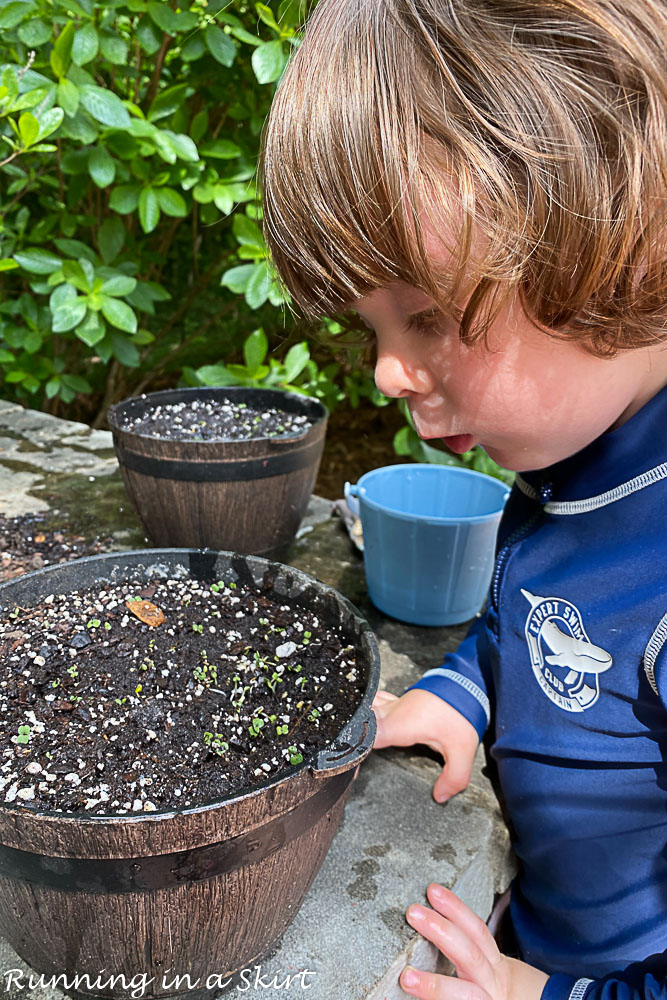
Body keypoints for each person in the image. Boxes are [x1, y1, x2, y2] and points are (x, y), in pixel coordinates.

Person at [257, 2, 667, 999]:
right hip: (534, 916)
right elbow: (522, 617)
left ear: (624, 241)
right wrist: (459, 694)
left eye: (428, 316)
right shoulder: (575, 466)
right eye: (372, 329)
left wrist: (544, 994)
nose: (387, 373)